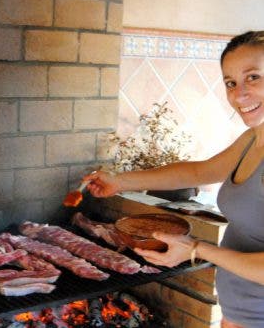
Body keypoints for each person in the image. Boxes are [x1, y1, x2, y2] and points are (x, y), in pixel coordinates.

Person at [84, 31, 264, 328]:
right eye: (230, 82)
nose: (238, 94)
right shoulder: (251, 139)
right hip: (240, 312)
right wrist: (120, 181)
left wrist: (195, 249)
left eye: (253, 77)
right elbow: (199, 172)